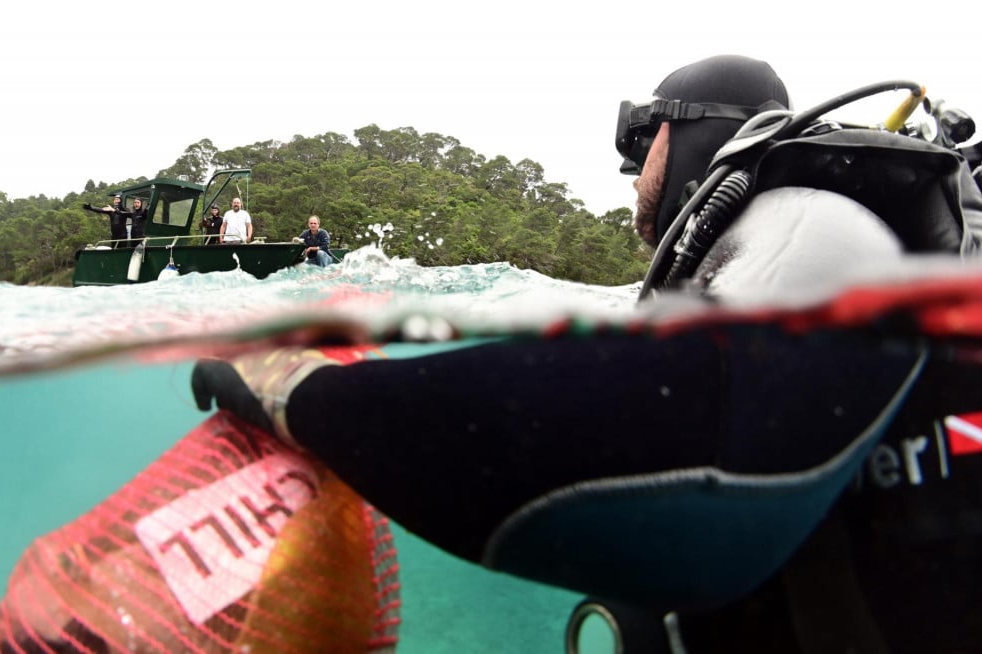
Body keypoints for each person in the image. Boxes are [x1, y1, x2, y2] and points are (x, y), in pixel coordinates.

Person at [187, 54, 982, 652]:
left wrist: (303, 389)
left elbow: (702, 459)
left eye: (646, 142)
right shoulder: (782, 245)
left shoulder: (814, 217)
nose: (634, 175)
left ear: (699, 126)